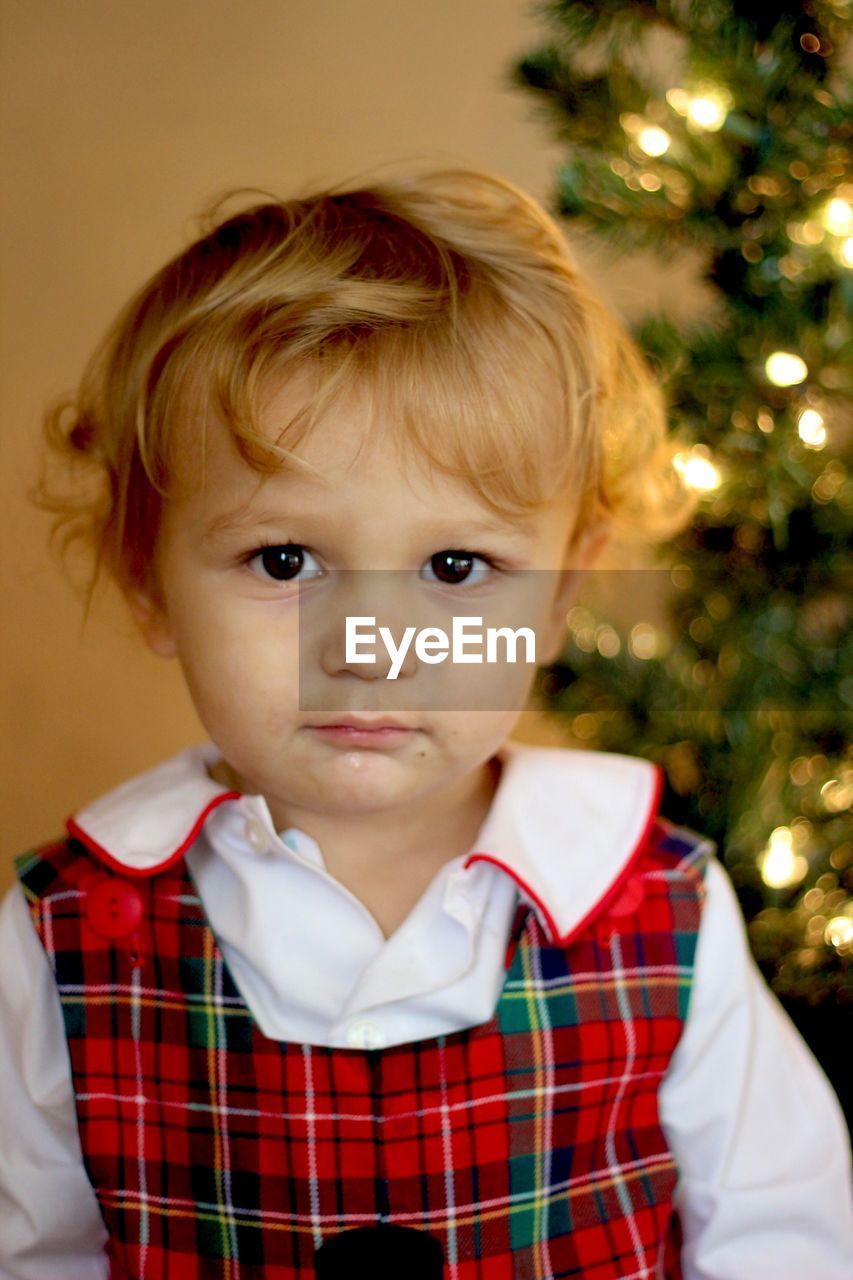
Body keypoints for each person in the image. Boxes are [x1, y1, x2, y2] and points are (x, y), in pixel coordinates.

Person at [1, 166, 851, 1280]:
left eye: (457, 566)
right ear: (149, 582)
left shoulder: (660, 907)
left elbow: (785, 1244)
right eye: (285, 559)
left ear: (554, 595)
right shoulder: (67, 932)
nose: (370, 645)